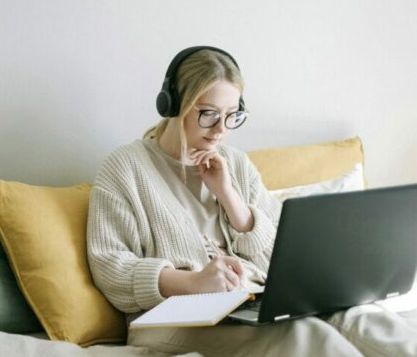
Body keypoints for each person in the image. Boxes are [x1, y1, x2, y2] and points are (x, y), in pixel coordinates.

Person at [87, 46, 417, 357]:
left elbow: (281, 256)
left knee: (367, 320)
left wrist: (230, 197)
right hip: (169, 319)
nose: (221, 129)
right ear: (173, 105)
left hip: (253, 300)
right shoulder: (125, 168)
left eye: (232, 115)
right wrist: (192, 282)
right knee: (310, 338)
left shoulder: (235, 163)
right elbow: (110, 268)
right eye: (208, 114)